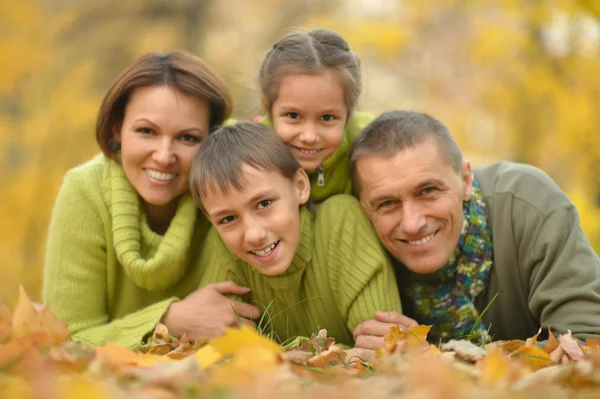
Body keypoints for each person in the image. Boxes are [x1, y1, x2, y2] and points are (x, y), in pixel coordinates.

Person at [43, 51, 260, 350]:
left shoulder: (233, 182)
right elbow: (64, 338)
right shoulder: (84, 191)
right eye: (147, 131)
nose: (163, 156)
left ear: (212, 138)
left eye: (188, 138)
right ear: (117, 128)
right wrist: (168, 321)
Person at [350, 110, 600, 346]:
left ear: (466, 180)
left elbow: (588, 342)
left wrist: (436, 362)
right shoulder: (358, 240)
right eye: (387, 203)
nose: (412, 224)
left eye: (428, 191)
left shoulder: (529, 204)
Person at [189, 122, 402, 346]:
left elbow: (383, 347)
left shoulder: (341, 221)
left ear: (300, 186)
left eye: (264, 203)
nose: (253, 235)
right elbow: (222, 352)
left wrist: (280, 358)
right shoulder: (223, 246)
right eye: (228, 219)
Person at [254, 29, 373, 202]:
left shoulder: (370, 144)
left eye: (327, 118)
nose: (309, 137)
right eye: (293, 116)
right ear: (268, 108)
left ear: (349, 113)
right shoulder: (247, 155)